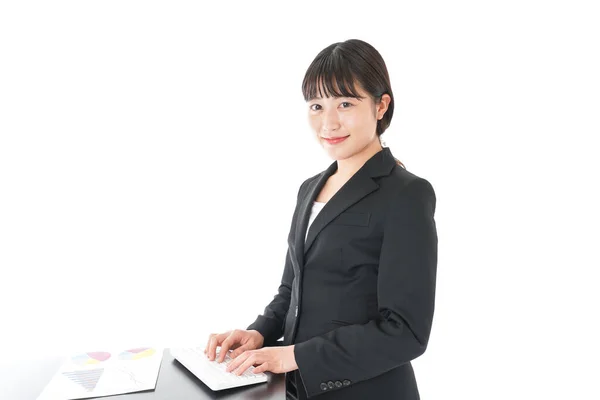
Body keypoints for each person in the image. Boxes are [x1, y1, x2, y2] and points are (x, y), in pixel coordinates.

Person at [204, 39, 438, 400]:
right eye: (317, 105)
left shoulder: (406, 195)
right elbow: (291, 289)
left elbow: (405, 331)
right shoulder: (309, 188)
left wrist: (294, 356)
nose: (328, 122)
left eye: (345, 103)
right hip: (297, 390)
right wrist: (259, 334)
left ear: (381, 105)